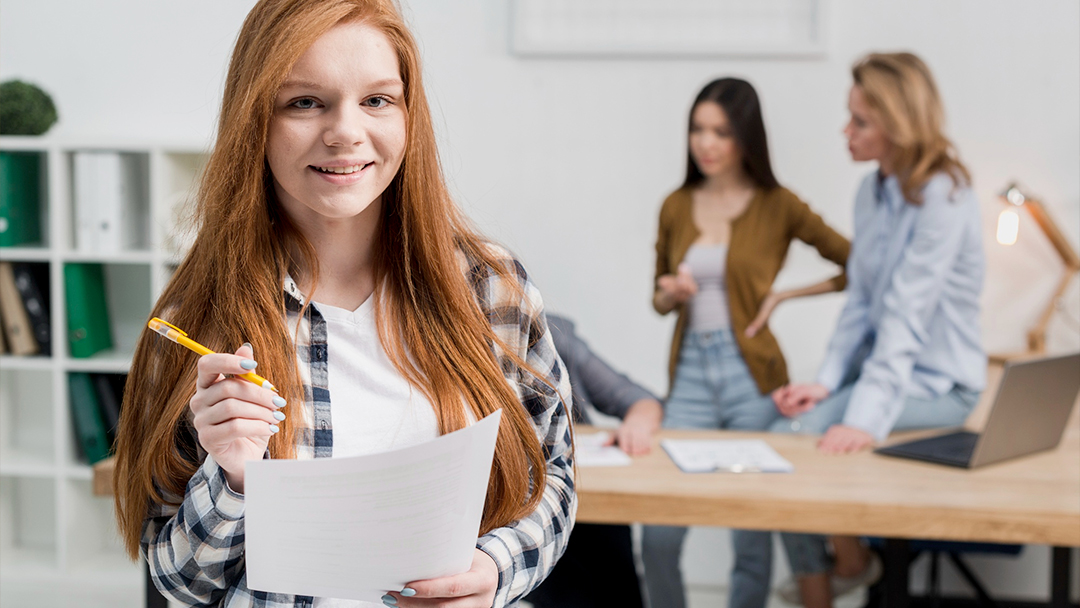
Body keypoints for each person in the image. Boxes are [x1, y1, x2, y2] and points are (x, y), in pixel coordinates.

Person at [111, 2, 574, 607]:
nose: (346, 133)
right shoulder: (195, 321)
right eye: (305, 102)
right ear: (255, 119)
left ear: (409, 114)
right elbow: (179, 582)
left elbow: (551, 477)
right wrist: (232, 478)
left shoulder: (491, 287)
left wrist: (494, 570)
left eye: (377, 100)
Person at [770, 52, 986, 608]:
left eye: (860, 121)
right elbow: (862, 303)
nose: (846, 131)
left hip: (941, 385)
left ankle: (836, 574)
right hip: (887, 374)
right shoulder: (872, 192)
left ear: (898, 124)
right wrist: (826, 382)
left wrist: (861, 420)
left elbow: (905, 317)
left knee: (797, 439)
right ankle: (849, 563)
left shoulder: (945, 196)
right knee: (784, 430)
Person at [644, 78, 851, 608]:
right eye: (698, 129)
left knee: (751, 529)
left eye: (722, 132)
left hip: (752, 375)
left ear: (747, 138)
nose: (706, 143)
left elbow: (858, 264)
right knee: (660, 528)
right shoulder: (676, 204)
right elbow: (658, 299)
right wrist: (671, 292)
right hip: (691, 373)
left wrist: (784, 295)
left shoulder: (778, 205)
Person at [524, 314, 663, 608]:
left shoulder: (553, 335)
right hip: (527, 510)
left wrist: (636, 424)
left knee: (615, 573)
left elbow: (639, 399)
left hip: (587, 496)